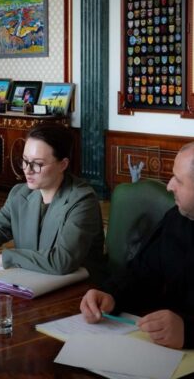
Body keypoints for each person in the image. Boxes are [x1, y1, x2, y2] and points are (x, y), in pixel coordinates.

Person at [0, 124, 105, 280]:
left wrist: (4, 258)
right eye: (25, 161)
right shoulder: (20, 193)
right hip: (32, 281)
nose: (27, 169)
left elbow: (62, 260)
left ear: (63, 164)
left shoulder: (82, 200)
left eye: (37, 164)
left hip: (81, 289)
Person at [80, 142, 194, 349]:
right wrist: (111, 294)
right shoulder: (176, 219)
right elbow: (143, 272)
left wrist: (188, 332)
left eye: (178, 180)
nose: (169, 186)